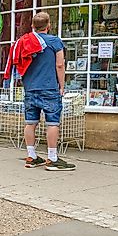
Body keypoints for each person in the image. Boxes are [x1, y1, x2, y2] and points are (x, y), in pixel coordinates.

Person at [13, 11, 76, 171]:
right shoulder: (55, 41)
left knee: (30, 122)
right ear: (49, 25)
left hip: (30, 87)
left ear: (33, 26)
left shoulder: (24, 42)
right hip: (49, 87)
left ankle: (31, 156)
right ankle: (52, 158)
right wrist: (61, 86)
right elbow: (60, 65)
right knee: (52, 122)